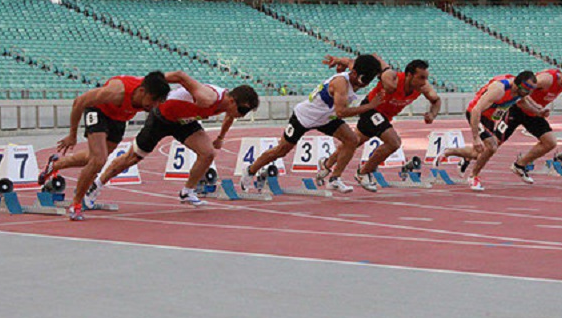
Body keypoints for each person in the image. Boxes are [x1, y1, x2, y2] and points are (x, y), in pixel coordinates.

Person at [88, 81, 259, 208]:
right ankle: (98, 183)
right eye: (242, 111)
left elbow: (230, 117)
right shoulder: (209, 97)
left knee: (208, 153)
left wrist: (221, 137)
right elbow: (181, 77)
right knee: (133, 157)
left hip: (184, 122)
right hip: (161, 117)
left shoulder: (228, 106)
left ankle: (187, 192)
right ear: (232, 101)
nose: (242, 116)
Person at [240, 54, 383, 194]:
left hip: (326, 118)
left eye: (368, 81)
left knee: (352, 140)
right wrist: (370, 106)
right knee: (281, 150)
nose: (363, 84)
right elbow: (341, 112)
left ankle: (334, 178)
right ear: (355, 73)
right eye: (362, 80)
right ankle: (250, 170)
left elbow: (350, 61)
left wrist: (338, 60)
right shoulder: (341, 83)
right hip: (304, 117)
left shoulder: (356, 70)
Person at [39, 71, 171, 221]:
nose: (153, 106)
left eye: (157, 102)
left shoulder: (150, 93)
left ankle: (56, 164)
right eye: (152, 100)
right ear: (141, 91)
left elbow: (175, 76)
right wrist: (72, 135)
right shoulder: (115, 92)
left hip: (119, 118)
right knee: (99, 160)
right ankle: (76, 204)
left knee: (92, 158)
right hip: (98, 110)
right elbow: (79, 102)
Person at [319, 58, 442, 192]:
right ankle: (363, 172)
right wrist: (339, 60)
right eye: (421, 78)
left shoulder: (423, 87)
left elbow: (436, 100)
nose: (424, 82)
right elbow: (368, 65)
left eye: (426, 78)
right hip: (371, 109)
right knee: (394, 142)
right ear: (409, 75)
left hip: (384, 117)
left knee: (354, 141)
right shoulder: (393, 78)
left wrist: (432, 114)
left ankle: (326, 164)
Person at [444, 71, 538, 191]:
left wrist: (537, 111)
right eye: (527, 89)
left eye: (532, 90)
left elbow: (523, 101)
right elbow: (476, 110)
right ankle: (473, 176)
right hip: (477, 114)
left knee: (478, 153)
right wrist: (476, 138)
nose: (528, 93)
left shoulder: (521, 91)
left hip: (490, 118)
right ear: (517, 84)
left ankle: (449, 152)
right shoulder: (499, 89)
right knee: (492, 146)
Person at [505, 63, 562, 183]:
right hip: (516, 110)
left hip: (533, 114)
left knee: (550, 142)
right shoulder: (547, 79)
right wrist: (537, 107)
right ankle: (468, 162)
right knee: (493, 144)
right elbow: (522, 90)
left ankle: (519, 165)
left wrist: (537, 110)